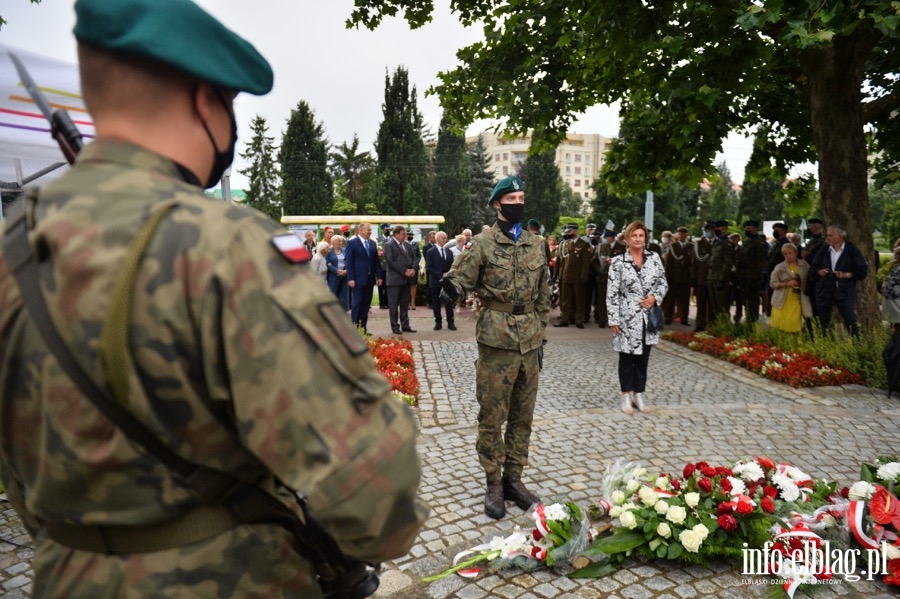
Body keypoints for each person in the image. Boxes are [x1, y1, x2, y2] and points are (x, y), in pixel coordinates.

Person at [0, 1, 427, 596]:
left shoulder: (11, 249)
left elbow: (18, 477)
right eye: (230, 105)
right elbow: (378, 501)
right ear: (206, 100)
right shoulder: (225, 247)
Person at [441, 175, 550, 520]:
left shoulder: (537, 243)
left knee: (522, 415)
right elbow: (460, 277)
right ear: (498, 204)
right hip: (496, 341)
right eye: (512, 198)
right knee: (492, 416)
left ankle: (514, 479)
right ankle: (493, 483)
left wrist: (540, 332)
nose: (519, 202)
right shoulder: (483, 243)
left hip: (529, 341)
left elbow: (544, 293)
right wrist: (451, 289)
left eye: (522, 196)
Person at [608, 221, 668, 415]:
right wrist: (613, 319)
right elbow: (612, 293)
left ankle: (638, 394)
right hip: (626, 316)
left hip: (648, 317)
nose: (638, 239)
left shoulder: (654, 258)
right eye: (634, 236)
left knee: (643, 358)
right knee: (626, 358)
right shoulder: (618, 262)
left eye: (641, 236)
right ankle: (625, 395)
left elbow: (663, 283)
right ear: (627, 238)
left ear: (646, 238)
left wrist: (654, 297)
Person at [809, 225, 868, 336]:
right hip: (825, 290)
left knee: (850, 320)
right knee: (823, 321)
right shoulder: (824, 250)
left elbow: (862, 271)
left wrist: (846, 275)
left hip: (844, 291)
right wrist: (819, 272)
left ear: (841, 236)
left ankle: (857, 347)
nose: (828, 238)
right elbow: (813, 268)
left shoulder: (851, 250)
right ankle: (825, 346)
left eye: (831, 235)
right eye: (827, 235)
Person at [344, 221, 383, 334]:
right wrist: (351, 278)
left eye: (370, 230)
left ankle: (363, 328)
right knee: (357, 304)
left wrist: (379, 276)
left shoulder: (372, 243)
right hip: (357, 279)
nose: (370, 232)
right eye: (368, 230)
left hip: (370, 279)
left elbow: (376, 261)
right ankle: (355, 329)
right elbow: (349, 261)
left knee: (366, 304)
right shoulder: (352, 243)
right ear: (360, 230)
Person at [554, 223, 591, 328]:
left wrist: (584, 277)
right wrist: (557, 275)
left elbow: (585, 263)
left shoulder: (584, 244)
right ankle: (564, 319)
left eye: (569, 231)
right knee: (565, 300)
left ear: (575, 231)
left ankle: (578, 320)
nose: (568, 233)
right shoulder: (565, 244)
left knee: (579, 300)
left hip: (578, 277)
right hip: (566, 276)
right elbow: (561, 261)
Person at [383, 224, 418, 334]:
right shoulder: (389, 244)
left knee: (404, 304)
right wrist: (404, 271)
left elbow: (415, 258)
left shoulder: (407, 245)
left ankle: (405, 325)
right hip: (394, 280)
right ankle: (395, 326)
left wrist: (413, 268)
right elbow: (390, 261)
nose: (405, 236)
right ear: (396, 234)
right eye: (403, 234)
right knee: (393, 305)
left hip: (406, 280)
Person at [769, 243, 812, 333]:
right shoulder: (779, 267)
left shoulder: (804, 265)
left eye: (790, 253)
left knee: (794, 323)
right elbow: (772, 284)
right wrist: (786, 283)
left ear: (795, 253)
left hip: (798, 298)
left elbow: (811, 278)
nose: (788, 256)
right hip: (782, 299)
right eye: (785, 254)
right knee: (781, 325)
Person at [735, 220, 769, 325]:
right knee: (745, 300)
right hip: (744, 276)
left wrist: (755, 276)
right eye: (746, 228)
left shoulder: (760, 242)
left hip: (753, 277)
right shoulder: (747, 241)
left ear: (755, 229)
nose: (747, 230)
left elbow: (760, 261)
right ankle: (748, 319)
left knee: (753, 300)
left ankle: (752, 321)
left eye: (749, 228)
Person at [662, 226, 693, 326]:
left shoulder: (691, 246)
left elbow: (692, 263)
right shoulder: (673, 246)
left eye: (683, 234)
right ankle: (668, 317)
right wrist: (668, 276)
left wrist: (692, 277)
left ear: (686, 235)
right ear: (677, 235)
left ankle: (684, 319)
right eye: (680, 234)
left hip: (686, 278)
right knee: (670, 299)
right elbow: (669, 263)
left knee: (685, 300)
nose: (681, 235)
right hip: (674, 277)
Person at [425, 231, 456, 330]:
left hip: (447, 282)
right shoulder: (430, 252)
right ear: (438, 239)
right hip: (435, 281)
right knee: (436, 303)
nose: (445, 240)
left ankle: (451, 322)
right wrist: (441, 275)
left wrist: (450, 274)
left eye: (446, 238)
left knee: (449, 302)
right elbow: (429, 268)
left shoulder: (448, 251)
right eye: (444, 238)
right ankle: (438, 322)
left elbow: (452, 265)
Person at [707, 220, 735, 324]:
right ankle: (715, 327)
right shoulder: (716, 241)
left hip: (720, 279)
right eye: (717, 228)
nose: (718, 230)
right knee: (713, 305)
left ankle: (724, 328)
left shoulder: (727, 244)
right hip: (712, 277)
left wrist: (722, 279)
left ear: (725, 229)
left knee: (722, 306)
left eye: (721, 228)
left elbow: (727, 264)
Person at [691, 221, 715, 332]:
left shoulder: (718, 243)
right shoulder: (698, 244)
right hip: (701, 278)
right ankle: (700, 324)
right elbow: (694, 263)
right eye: (707, 230)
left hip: (714, 279)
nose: (709, 232)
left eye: (710, 230)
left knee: (712, 304)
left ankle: (712, 324)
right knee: (700, 304)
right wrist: (693, 279)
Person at [327, 234, 349, 311]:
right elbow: (327, 264)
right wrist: (336, 270)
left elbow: (348, 261)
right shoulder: (329, 252)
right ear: (333, 242)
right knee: (333, 294)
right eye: (338, 241)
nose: (340, 242)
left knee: (344, 294)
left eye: (341, 241)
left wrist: (346, 271)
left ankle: (343, 310)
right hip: (334, 277)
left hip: (344, 275)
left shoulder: (345, 250)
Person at [882, 242, 900, 332]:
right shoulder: (892, 265)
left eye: (898, 254)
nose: (895, 256)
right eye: (895, 253)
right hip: (889, 296)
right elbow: (885, 276)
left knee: (898, 320)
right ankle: (893, 340)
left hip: (898, 298)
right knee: (891, 320)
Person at [376, 223, 392, 308]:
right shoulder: (378, 239)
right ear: (383, 230)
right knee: (381, 285)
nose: (388, 231)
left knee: (388, 285)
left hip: (390, 267)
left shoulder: (392, 239)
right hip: (381, 266)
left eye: (389, 230)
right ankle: (381, 302)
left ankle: (387, 302)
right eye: (386, 230)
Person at [407, 230, 421, 310]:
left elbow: (418, 256)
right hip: (406, 268)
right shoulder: (403, 244)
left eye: (411, 235)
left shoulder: (415, 244)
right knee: (406, 285)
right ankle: (407, 303)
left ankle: (413, 302)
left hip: (414, 268)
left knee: (413, 285)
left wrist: (414, 265)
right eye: (409, 235)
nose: (410, 236)